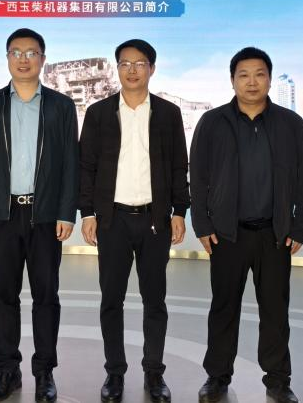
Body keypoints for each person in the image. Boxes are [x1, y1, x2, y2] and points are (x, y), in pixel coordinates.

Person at [190, 47, 303, 403]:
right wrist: (202, 224)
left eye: (260, 74)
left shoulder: (290, 123)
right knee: (223, 308)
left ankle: (278, 380)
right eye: (243, 75)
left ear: (270, 79)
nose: (252, 82)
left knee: (275, 311)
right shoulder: (212, 122)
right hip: (227, 234)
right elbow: (198, 176)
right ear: (232, 80)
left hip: (275, 235)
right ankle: (217, 377)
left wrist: (300, 226)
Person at [0, 28, 79, 403]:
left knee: (46, 295)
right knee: (5, 295)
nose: (23, 59)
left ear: (43, 59)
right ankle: (7, 370)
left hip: (45, 216)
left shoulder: (61, 106)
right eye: (16, 52)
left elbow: (71, 164)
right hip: (3, 213)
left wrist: (67, 212)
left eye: (31, 53)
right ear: (7, 58)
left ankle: (44, 372)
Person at [78, 38, 190, 403]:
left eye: (140, 63)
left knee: (154, 300)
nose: (132, 70)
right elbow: (87, 167)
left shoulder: (168, 113)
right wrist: (88, 212)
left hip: (155, 220)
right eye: (125, 63)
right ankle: (114, 373)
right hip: (112, 221)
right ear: (117, 69)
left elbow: (179, 166)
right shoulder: (99, 113)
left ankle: (154, 373)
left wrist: (179, 211)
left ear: (151, 69)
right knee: (111, 300)